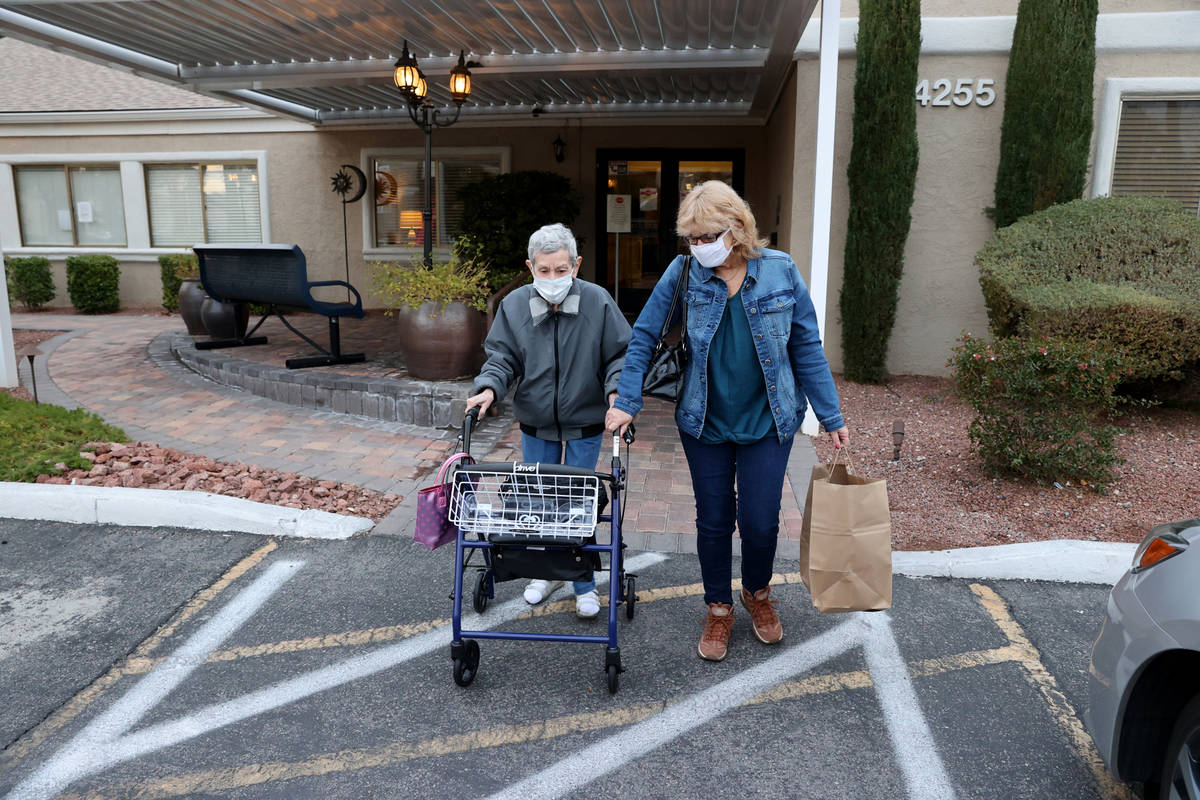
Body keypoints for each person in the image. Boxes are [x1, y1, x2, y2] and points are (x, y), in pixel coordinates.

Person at [605, 181, 850, 661]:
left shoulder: (780, 272)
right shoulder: (682, 273)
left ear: (736, 229)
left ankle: (756, 594)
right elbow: (644, 337)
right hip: (705, 421)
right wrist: (626, 400)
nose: (698, 248)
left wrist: (830, 413)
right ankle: (718, 608)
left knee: (760, 521)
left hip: (769, 420)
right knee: (714, 519)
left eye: (706, 237)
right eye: (691, 239)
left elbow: (805, 347)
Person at [467, 223, 631, 619]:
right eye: (544, 270)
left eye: (561, 270)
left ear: (576, 264)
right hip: (536, 422)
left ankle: (583, 583)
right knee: (536, 503)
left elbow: (619, 357)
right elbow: (502, 357)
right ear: (531, 266)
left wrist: (616, 394)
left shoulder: (598, 301)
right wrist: (489, 388)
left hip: (586, 422)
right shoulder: (516, 305)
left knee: (577, 504)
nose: (553, 279)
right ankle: (542, 574)